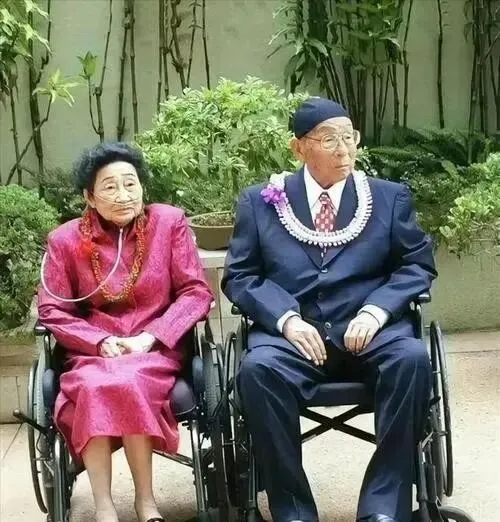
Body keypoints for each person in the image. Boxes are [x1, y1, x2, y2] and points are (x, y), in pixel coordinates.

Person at [221, 98, 437, 522]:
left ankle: (383, 509)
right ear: (298, 147)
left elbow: (417, 264)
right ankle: (294, 511)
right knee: (257, 371)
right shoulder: (261, 201)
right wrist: (286, 320)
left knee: (411, 358)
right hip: (294, 338)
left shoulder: (388, 198)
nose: (344, 149)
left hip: (371, 333)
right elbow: (241, 276)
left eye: (349, 137)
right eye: (329, 139)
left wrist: (376, 311)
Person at [38, 142, 213, 522]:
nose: (124, 195)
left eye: (130, 184)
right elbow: (52, 309)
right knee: (93, 386)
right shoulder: (65, 240)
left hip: (155, 347)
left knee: (130, 380)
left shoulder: (168, 223)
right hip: (94, 351)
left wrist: (151, 337)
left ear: (142, 187)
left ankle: (145, 501)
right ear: (89, 196)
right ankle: (104, 506)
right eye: (110, 187)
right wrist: (99, 342)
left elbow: (195, 292)